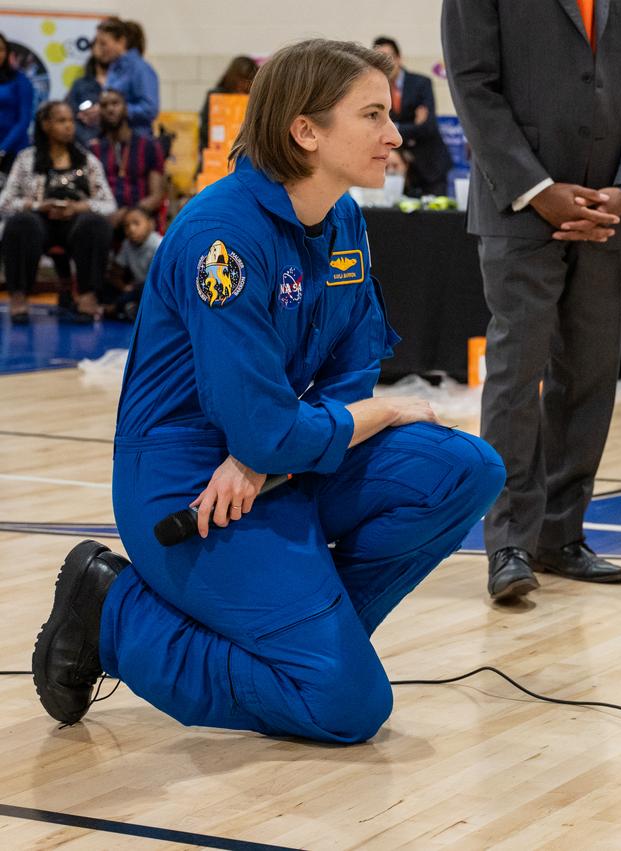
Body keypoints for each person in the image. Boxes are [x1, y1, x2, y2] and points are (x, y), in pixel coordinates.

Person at [31, 39, 505, 744]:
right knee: (348, 709)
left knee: (468, 468)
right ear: (306, 131)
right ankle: (114, 611)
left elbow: (352, 356)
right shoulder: (222, 235)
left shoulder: (341, 216)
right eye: (372, 115)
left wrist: (274, 450)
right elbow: (277, 420)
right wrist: (352, 418)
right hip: (187, 485)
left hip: (277, 460)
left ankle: (312, 639)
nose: (393, 134)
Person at [442, 0, 621, 602]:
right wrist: (536, 188)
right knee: (516, 375)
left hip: (611, 211)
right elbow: (472, 83)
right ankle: (510, 543)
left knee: (591, 377)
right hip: (519, 206)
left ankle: (561, 534)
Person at [0, 100, 116, 322]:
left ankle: (87, 295)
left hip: (74, 224)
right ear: (46, 125)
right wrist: (37, 206)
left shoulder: (87, 160)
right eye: (61, 121)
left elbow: (109, 204)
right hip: (39, 222)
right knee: (21, 223)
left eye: (71, 121)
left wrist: (79, 207)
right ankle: (19, 296)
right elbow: (4, 202)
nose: (69, 126)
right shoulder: (26, 160)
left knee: (95, 224)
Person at [373, 37, 453, 197]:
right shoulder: (376, 90)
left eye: (387, 58)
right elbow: (377, 129)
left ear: (398, 58)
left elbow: (428, 126)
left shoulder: (421, 83)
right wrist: (414, 126)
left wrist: (395, 126)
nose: (384, 64)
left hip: (431, 165)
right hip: (402, 169)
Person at [88, 89, 166, 228]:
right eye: (104, 105)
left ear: (125, 108)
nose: (110, 109)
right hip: (103, 221)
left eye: (115, 103)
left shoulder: (149, 147)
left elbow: (157, 195)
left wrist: (127, 214)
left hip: (140, 219)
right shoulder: (93, 150)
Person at [95, 18, 158, 138]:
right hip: (113, 139)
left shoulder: (140, 69)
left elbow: (150, 109)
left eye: (103, 44)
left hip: (136, 141)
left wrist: (118, 111)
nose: (99, 49)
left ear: (121, 42)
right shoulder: (114, 69)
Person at [108, 205, 161, 320]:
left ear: (151, 224)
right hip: (138, 287)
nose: (131, 229)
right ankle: (132, 308)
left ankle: (127, 308)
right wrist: (123, 287)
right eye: (126, 226)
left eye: (136, 223)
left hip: (155, 288)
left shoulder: (158, 244)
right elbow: (115, 272)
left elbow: (160, 279)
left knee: (140, 293)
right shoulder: (127, 244)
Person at [198, 56, 257, 154]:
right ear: (233, 79)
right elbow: (205, 129)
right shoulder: (216, 98)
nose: (244, 86)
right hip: (217, 154)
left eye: (248, 82)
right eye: (242, 81)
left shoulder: (255, 99)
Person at [0, 32, 34, 175]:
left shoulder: (20, 80)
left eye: (1, 49)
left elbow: (24, 120)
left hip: (14, 150)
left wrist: (3, 149)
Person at [68, 45, 108, 145]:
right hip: (85, 141)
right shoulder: (81, 84)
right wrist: (88, 139)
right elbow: (70, 115)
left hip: (113, 142)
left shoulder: (122, 85)